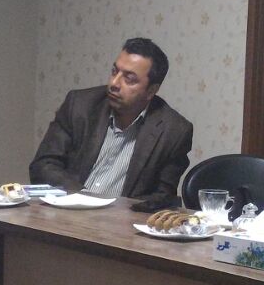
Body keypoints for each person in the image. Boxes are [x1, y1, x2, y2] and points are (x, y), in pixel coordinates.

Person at [30, 37, 192, 200]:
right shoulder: (80, 105)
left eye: (129, 79)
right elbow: (43, 166)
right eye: (114, 72)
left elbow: (161, 198)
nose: (114, 83)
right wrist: (84, 198)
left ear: (151, 91)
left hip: (123, 216)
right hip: (66, 209)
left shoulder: (174, 132)